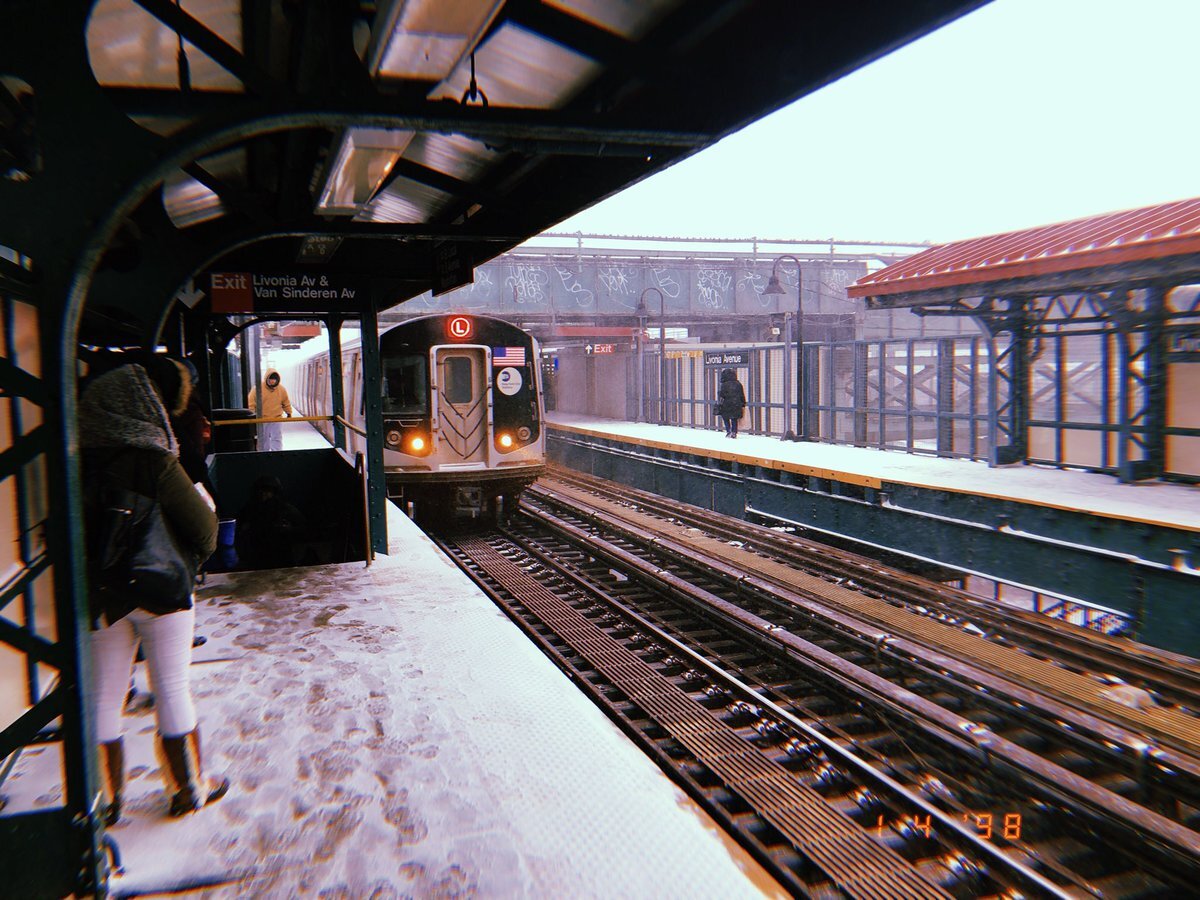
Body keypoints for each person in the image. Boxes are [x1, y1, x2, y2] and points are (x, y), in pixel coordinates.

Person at [79, 356, 229, 823]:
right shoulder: (155, 461)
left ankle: (104, 799)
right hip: (163, 594)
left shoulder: (74, 460)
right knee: (172, 687)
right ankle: (188, 788)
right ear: (141, 405)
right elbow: (206, 531)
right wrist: (185, 560)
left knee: (103, 695)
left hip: (104, 595)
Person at [234, 475, 307, 569]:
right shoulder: (250, 509)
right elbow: (239, 527)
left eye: (267, 490)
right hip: (257, 553)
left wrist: (289, 529)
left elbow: (303, 528)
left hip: (280, 552)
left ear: (274, 492)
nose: (262, 493)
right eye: (260, 490)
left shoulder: (285, 509)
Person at [247, 368, 292, 451]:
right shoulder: (257, 389)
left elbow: (286, 402)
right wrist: (252, 414)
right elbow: (251, 403)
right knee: (263, 438)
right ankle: (264, 453)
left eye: (274, 380)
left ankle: (277, 453)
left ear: (277, 380)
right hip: (262, 419)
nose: (272, 381)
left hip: (277, 418)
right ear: (266, 378)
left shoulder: (281, 389)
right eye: (271, 379)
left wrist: (289, 412)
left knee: (277, 438)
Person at [717, 367, 746, 438]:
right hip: (736, 404)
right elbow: (741, 394)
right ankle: (734, 432)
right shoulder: (738, 384)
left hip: (726, 404)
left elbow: (722, 395)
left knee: (726, 418)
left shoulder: (724, 384)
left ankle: (728, 431)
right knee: (734, 418)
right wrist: (743, 404)